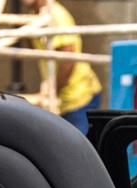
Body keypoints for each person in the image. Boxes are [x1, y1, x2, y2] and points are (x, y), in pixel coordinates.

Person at [24, 0, 102, 135]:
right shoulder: (36, 16)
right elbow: (33, 49)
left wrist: (52, 93)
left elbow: (67, 61)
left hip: (79, 97)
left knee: (75, 150)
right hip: (63, 100)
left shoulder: (57, 16)